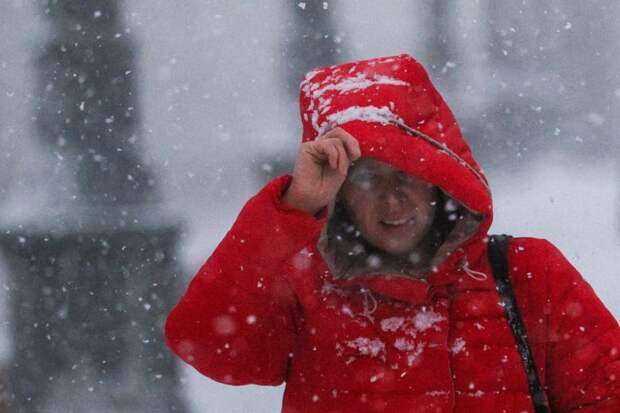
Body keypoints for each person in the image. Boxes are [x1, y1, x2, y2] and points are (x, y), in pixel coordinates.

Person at [164, 54, 619, 412]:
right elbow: (207, 343)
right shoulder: (307, 288)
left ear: (439, 183)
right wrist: (295, 206)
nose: (391, 199)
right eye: (367, 178)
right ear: (341, 194)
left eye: (408, 174)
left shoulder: (527, 273)